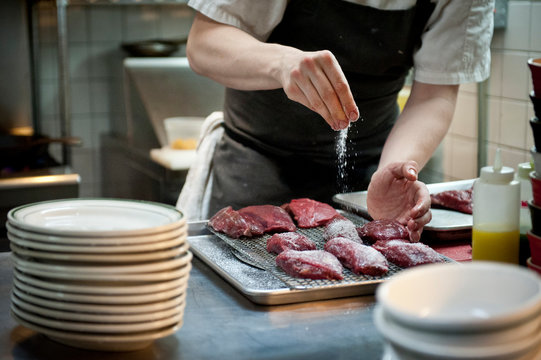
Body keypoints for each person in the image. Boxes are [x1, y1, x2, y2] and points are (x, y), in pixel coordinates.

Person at [182, 0, 494, 242]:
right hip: (256, 165)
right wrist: (281, 63)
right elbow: (204, 43)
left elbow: (434, 94)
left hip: (370, 173)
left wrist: (394, 173)